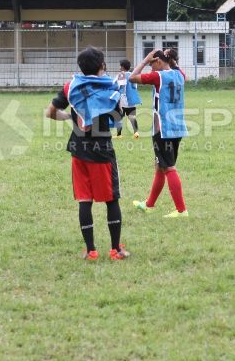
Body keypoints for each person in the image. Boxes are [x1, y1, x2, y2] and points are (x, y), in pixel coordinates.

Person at [46, 46, 129, 261]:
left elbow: (50, 112)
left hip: (78, 150)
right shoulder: (111, 86)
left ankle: (91, 251)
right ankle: (115, 250)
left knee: (85, 200)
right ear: (102, 65)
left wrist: (70, 118)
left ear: (80, 67)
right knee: (111, 199)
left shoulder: (71, 86)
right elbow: (119, 118)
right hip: (102, 150)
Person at [130, 48, 189, 218]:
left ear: (159, 61)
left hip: (162, 130)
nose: (150, 67)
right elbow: (177, 68)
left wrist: (144, 60)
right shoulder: (180, 76)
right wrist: (171, 60)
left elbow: (132, 78)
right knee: (160, 167)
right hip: (177, 128)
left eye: (152, 64)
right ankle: (149, 205)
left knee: (169, 167)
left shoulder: (158, 76)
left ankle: (181, 210)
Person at [113, 59, 141, 138]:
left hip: (122, 100)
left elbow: (115, 85)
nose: (119, 68)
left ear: (122, 67)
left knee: (119, 117)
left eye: (120, 66)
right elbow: (135, 87)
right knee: (132, 117)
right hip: (132, 100)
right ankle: (136, 133)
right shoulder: (133, 75)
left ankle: (119, 135)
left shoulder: (120, 75)